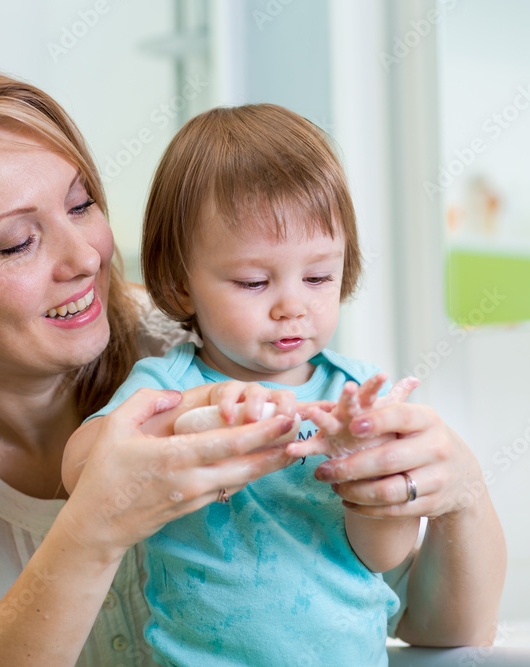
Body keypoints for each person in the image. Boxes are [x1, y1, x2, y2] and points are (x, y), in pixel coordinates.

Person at [0, 69, 505, 666]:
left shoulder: (200, 343)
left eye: (81, 204)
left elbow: (436, 625)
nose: (86, 258)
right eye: (18, 242)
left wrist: (459, 487)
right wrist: (98, 522)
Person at [64, 103, 423, 666]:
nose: (292, 306)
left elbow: (384, 556)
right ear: (181, 285)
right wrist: (195, 411)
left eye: (318, 277)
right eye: (254, 282)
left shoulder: (354, 397)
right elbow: (80, 471)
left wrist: (362, 469)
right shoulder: (169, 383)